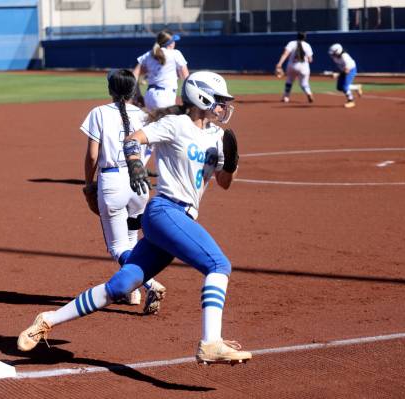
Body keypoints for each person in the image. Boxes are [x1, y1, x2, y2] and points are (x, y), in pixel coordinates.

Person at [18, 71, 252, 365]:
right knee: (218, 265)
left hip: (179, 218)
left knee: (121, 286)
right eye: (219, 100)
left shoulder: (218, 138)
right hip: (165, 211)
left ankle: (48, 319)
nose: (223, 107)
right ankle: (211, 342)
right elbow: (133, 140)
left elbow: (225, 182)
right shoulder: (176, 124)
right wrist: (135, 165)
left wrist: (230, 163)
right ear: (201, 98)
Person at [80, 68, 166, 314]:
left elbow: (93, 155)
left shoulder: (98, 113)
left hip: (112, 182)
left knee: (117, 247)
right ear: (132, 90)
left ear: (110, 89)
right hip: (138, 183)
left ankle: (150, 283)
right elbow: (151, 149)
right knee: (131, 239)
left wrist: (88, 184)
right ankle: (132, 292)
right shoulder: (143, 115)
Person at [133, 29, 189, 111]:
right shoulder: (175, 53)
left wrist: (137, 94)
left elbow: (134, 75)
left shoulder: (149, 54)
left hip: (149, 96)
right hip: (165, 97)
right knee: (168, 123)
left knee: (152, 123)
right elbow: (185, 77)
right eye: (174, 41)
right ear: (171, 43)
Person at [275, 31, 314, 103]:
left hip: (292, 66)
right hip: (304, 67)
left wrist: (279, 63)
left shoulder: (291, 43)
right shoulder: (307, 45)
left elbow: (285, 54)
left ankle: (286, 97)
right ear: (305, 38)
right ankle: (308, 93)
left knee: (289, 81)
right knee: (304, 83)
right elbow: (310, 60)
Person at [328, 43, 363, 108]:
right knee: (339, 87)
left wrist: (337, 75)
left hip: (351, 70)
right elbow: (339, 67)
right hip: (343, 71)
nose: (332, 55)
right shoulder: (335, 58)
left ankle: (351, 101)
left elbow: (347, 71)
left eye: (333, 53)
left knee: (344, 87)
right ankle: (357, 87)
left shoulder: (345, 57)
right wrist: (335, 73)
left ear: (338, 51)